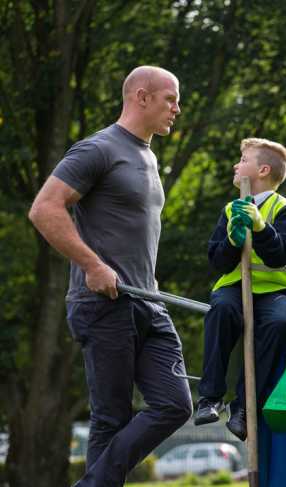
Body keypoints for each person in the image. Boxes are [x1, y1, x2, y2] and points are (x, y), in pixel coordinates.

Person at [28, 66, 192, 486]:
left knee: (175, 404)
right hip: (103, 304)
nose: (177, 108)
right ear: (141, 97)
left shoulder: (148, 155)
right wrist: (92, 265)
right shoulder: (98, 149)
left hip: (148, 303)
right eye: (169, 99)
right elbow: (45, 208)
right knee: (111, 418)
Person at [194, 138, 286, 442]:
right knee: (222, 310)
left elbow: (281, 255)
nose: (236, 165)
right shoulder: (230, 209)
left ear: (263, 169)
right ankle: (210, 397)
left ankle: (243, 407)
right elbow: (217, 260)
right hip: (234, 286)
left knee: (279, 324)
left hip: (274, 290)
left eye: (243, 159)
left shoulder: (285, 210)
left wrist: (261, 228)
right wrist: (231, 241)